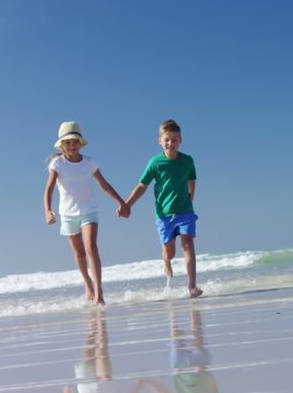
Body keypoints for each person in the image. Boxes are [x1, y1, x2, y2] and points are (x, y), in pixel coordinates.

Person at [44, 121, 130, 304]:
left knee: (91, 246)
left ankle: (99, 291)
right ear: (62, 145)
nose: (72, 146)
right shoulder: (57, 163)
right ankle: (88, 284)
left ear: (80, 143)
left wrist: (122, 202)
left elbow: (104, 185)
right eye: (67, 143)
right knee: (79, 253)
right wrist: (47, 211)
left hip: (88, 210)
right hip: (67, 214)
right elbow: (49, 189)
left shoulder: (89, 162)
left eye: (75, 142)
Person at [124, 119, 202, 297]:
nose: (171, 143)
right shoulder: (155, 163)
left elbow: (192, 180)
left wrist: (191, 199)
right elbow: (142, 186)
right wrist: (127, 204)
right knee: (170, 252)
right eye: (167, 139)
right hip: (164, 215)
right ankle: (165, 260)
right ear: (159, 140)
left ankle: (192, 286)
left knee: (188, 243)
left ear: (180, 140)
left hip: (185, 211)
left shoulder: (187, 161)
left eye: (174, 139)